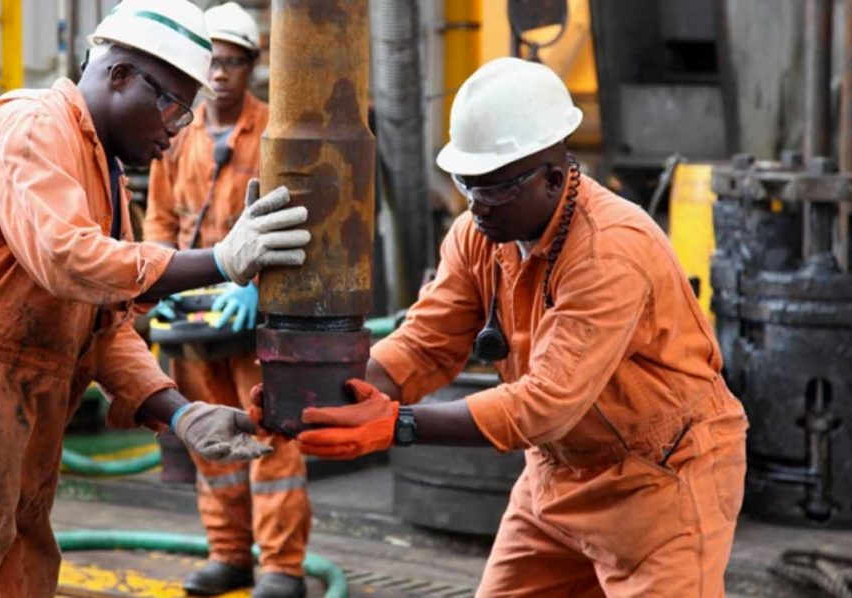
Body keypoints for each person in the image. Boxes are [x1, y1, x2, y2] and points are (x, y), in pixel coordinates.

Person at [0, 1, 312, 595]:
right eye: (172, 107)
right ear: (120, 76)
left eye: (186, 115)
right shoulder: (31, 128)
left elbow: (102, 327)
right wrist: (218, 262)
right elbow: (67, 258)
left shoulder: (104, 178)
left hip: (3, 426)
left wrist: (181, 413)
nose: (174, 132)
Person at [270, 58, 749, 597]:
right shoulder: (477, 236)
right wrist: (313, 395)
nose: (476, 206)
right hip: (558, 473)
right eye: (466, 184)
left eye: (494, 189)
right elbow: (423, 346)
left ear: (553, 178)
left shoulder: (610, 251)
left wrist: (396, 425)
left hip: (661, 477)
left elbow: (545, 403)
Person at [144, 4, 309, 597]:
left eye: (233, 62)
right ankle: (229, 555)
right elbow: (160, 218)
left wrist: (253, 285)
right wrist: (160, 278)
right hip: (195, 314)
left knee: (270, 436)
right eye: (212, 61)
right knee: (209, 436)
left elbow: (294, 220)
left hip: (255, 317)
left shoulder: (274, 134)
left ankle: (282, 568)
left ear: (252, 67)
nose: (219, 73)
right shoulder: (176, 134)